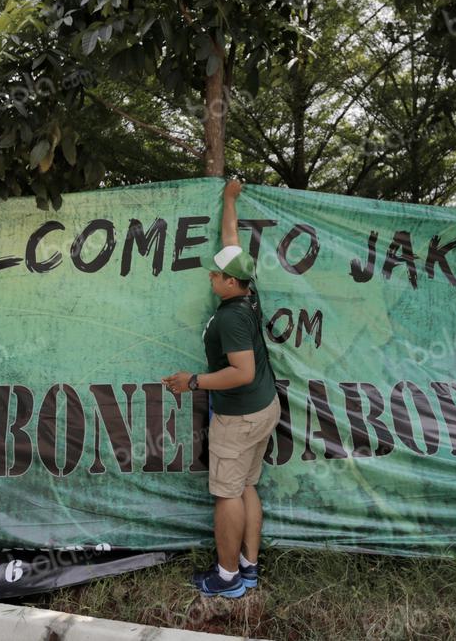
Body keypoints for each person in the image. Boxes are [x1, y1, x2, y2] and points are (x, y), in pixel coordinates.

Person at [162, 180, 280, 599]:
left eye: (216, 274)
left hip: (240, 415)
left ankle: (227, 577)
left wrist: (191, 381)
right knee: (247, 485)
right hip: (264, 410)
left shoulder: (231, 317)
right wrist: (230, 199)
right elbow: (231, 240)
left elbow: (242, 371)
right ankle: (248, 566)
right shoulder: (248, 290)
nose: (211, 277)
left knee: (227, 494)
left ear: (231, 283)